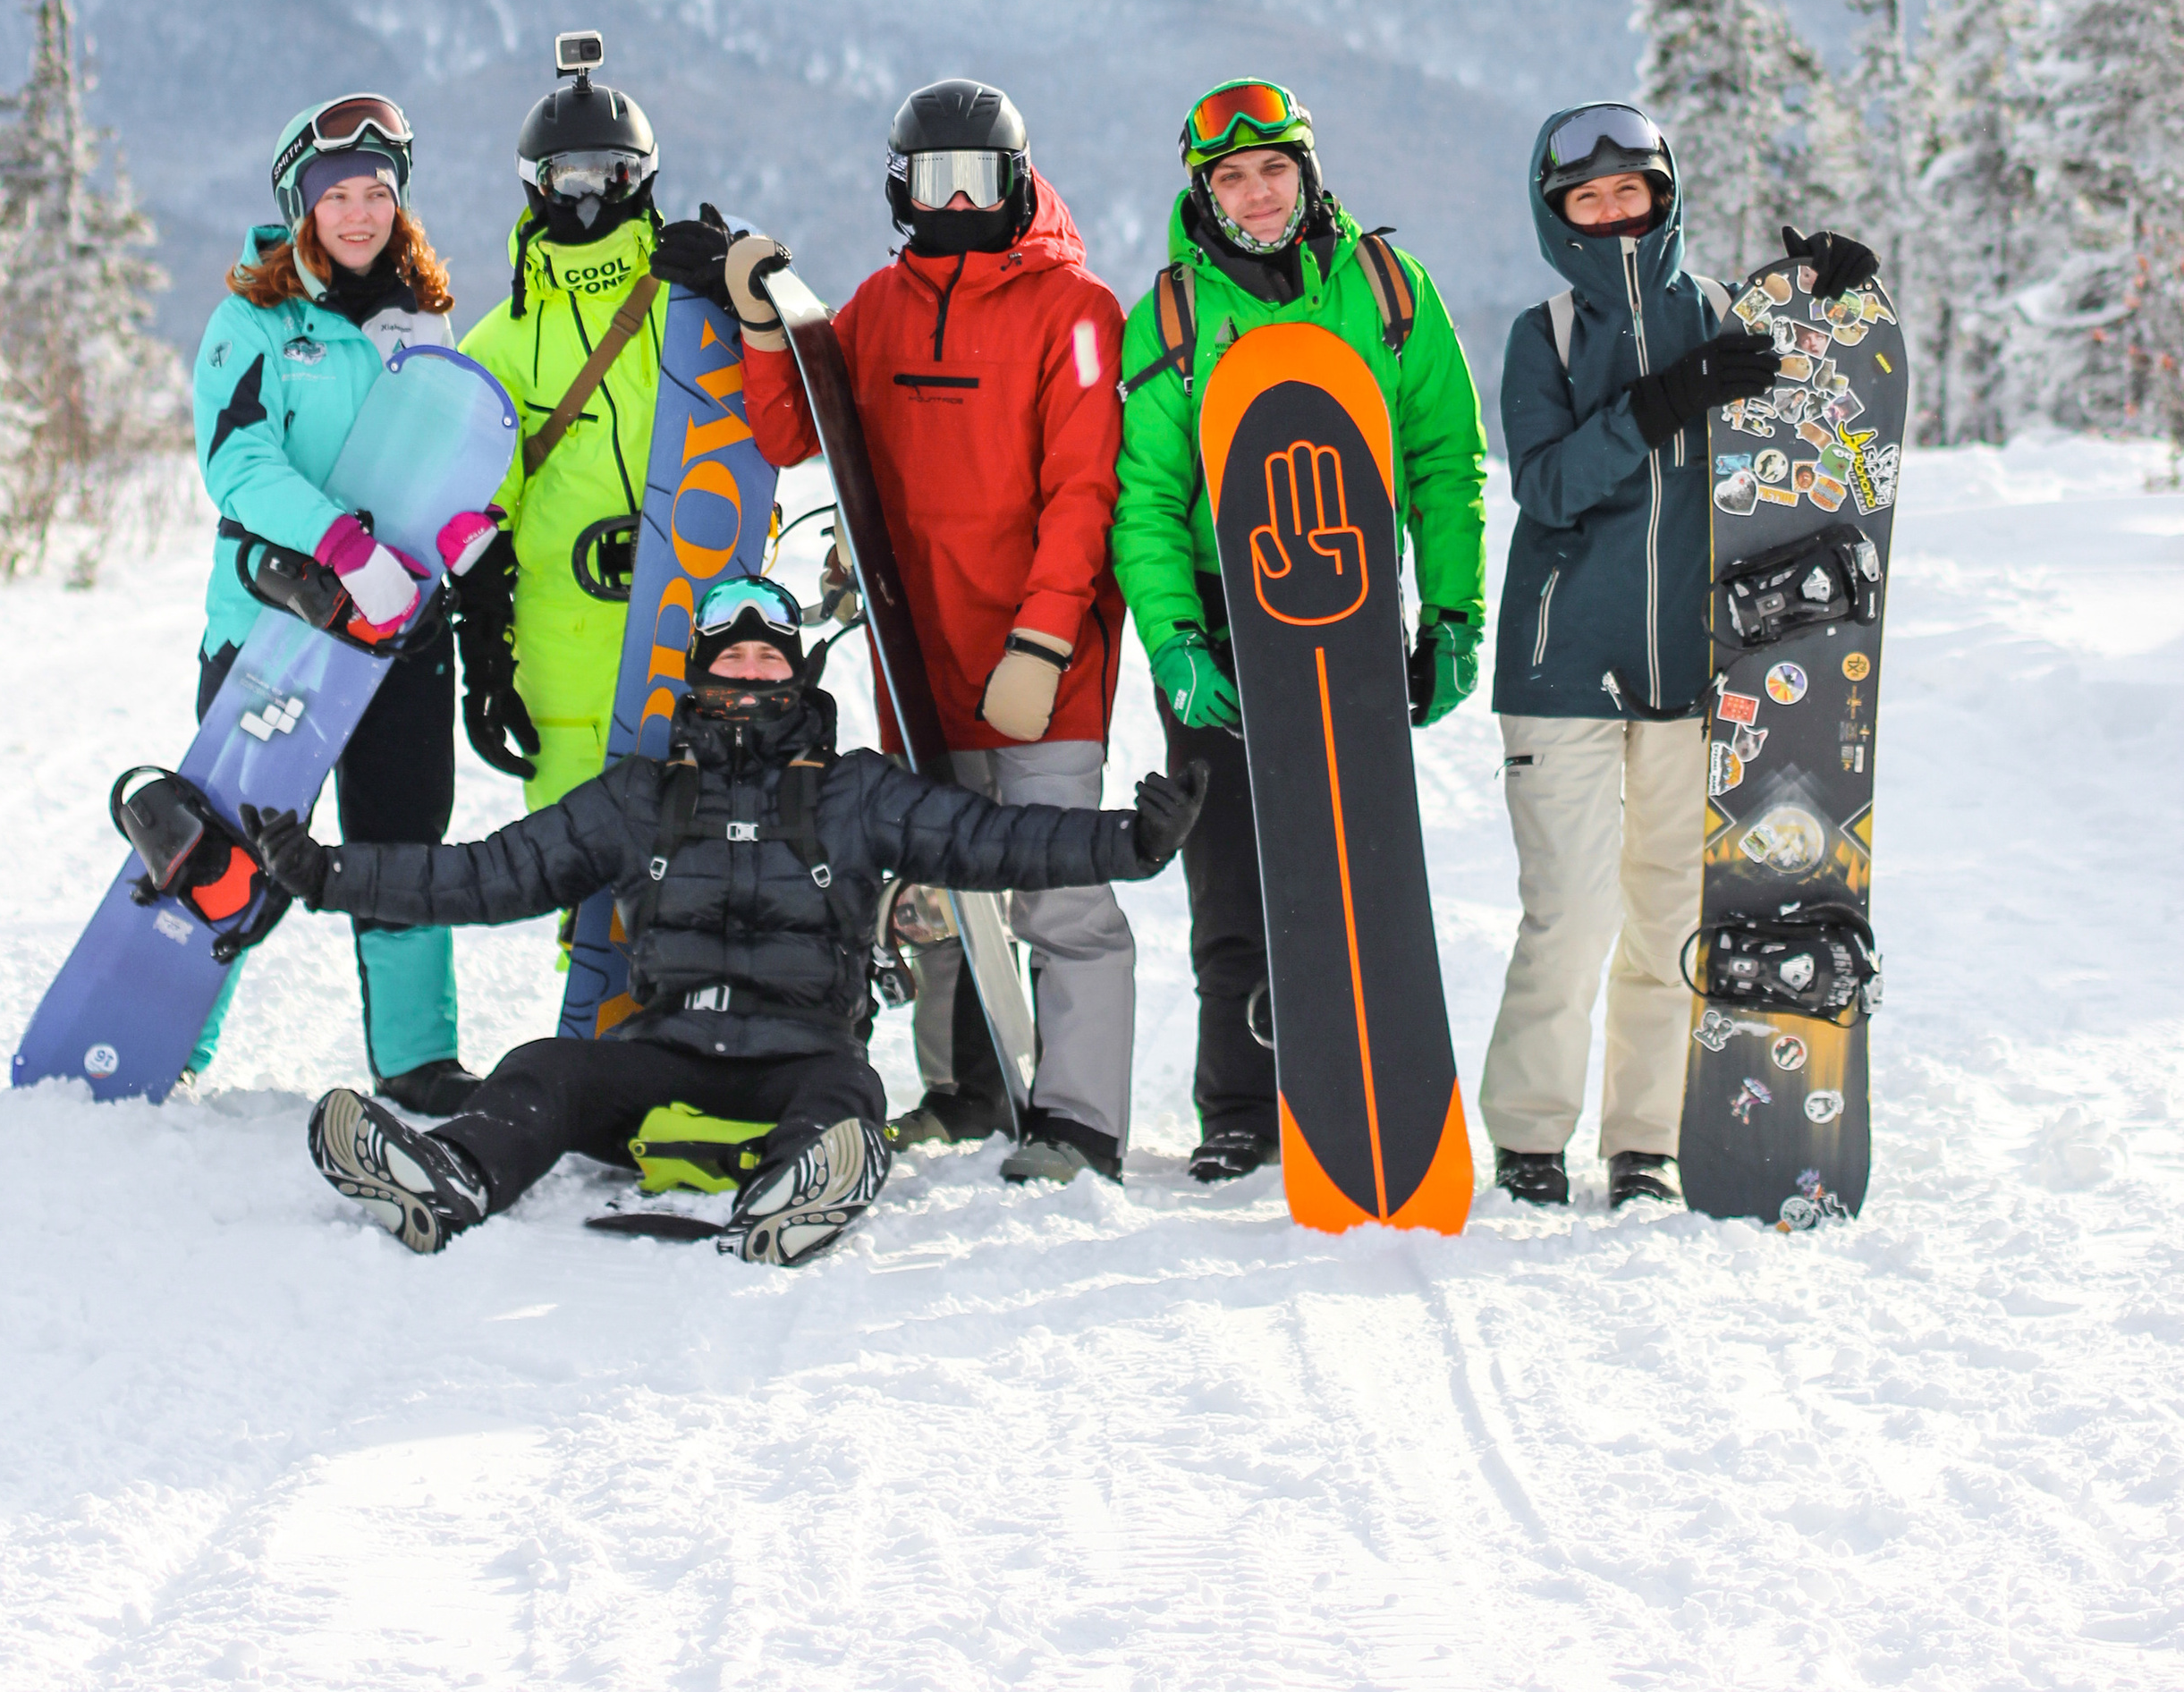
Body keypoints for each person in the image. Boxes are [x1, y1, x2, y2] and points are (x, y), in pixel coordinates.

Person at [245, 578, 1206, 1266]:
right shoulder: (639, 797)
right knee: (545, 1067)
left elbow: (997, 844)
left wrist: (1128, 842)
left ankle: (800, 1192)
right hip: (663, 1050)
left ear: (795, 675)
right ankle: (450, 1175)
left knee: (847, 1099)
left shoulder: (855, 791)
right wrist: (328, 874)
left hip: (802, 1055)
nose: (750, 670)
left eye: (768, 655)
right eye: (731, 655)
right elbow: (487, 875)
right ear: (699, 674)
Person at [723, 79, 1133, 1187]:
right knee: (942, 890)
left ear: (1019, 179)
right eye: (933, 181)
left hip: (1040, 666)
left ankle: (1080, 1120)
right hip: (922, 658)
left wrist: (1043, 644)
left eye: (981, 180)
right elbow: (792, 429)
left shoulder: (1077, 311)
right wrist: (765, 324)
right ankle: (966, 1092)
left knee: (1057, 890)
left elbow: (1084, 490)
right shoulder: (879, 306)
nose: (958, 202)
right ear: (899, 188)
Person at [1481, 101, 1879, 1212]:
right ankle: (1528, 1134)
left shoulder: (1719, 314)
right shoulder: (1543, 335)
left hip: (1694, 672)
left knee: (1665, 917)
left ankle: (1644, 1141)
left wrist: (1828, 300)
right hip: (1562, 672)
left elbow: (1818, 419)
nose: (1612, 214)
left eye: (1631, 194)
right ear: (1556, 212)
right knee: (1568, 915)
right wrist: (1659, 405)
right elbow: (1547, 486)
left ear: (1662, 198)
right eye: (1586, 199)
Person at [1111, 78, 1490, 1182]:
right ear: (1202, 190)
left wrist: (1454, 612)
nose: (1257, 192)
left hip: (1350, 607)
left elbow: (1441, 457)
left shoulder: (1383, 286)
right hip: (1229, 626)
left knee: (1357, 859)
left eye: (1273, 167)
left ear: (1307, 171)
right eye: (1230, 175)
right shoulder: (1173, 316)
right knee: (1229, 875)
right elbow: (1142, 497)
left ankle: (1371, 1066)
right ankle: (1236, 1105)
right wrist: (1174, 640)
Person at [190, 92, 498, 1112]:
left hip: (402, 631)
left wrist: (456, 528)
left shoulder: (424, 312)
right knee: (240, 841)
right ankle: (171, 1034)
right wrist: (339, 544)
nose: (360, 214)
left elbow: (437, 448)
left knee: (406, 841)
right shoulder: (255, 320)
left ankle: (418, 1059)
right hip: (281, 625)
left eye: (377, 193)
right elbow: (237, 463)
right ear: (301, 204)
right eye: (338, 196)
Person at [455, 35, 735, 805]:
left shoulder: (694, 308)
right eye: (566, 175)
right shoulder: (496, 347)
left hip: (693, 631)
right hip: (560, 647)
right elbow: (477, 517)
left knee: (700, 876)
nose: (589, 196)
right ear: (533, 186)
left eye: (612, 174)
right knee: (585, 887)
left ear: (643, 181)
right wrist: (483, 655)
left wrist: (747, 279)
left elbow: (795, 394)